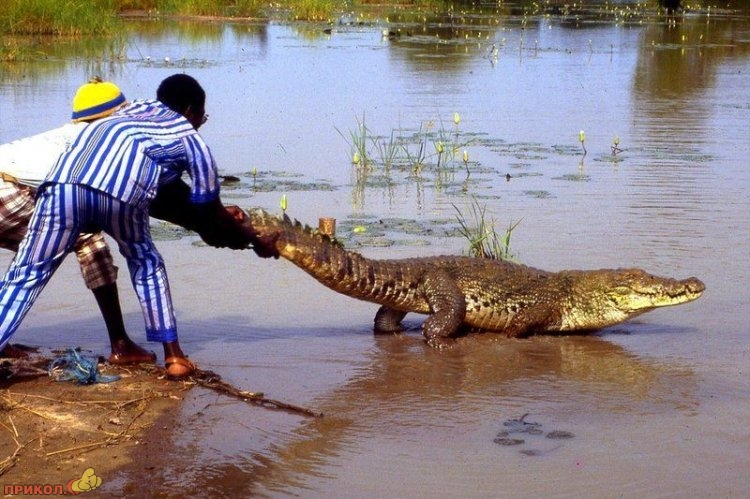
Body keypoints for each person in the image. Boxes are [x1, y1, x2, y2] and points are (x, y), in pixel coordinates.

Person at [0, 73, 277, 378]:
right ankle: (174, 357)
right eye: (202, 116)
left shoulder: (134, 109)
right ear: (191, 111)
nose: (200, 123)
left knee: (27, 273)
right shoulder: (192, 140)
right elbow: (207, 211)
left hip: (63, 184)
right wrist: (253, 238)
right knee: (145, 262)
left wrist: (219, 217)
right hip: (119, 192)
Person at [0, 78, 155, 365]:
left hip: (7, 184)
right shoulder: (104, 142)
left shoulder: (64, 134)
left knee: (38, 253)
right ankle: (120, 343)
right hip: (7, 191)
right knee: (88, 238)